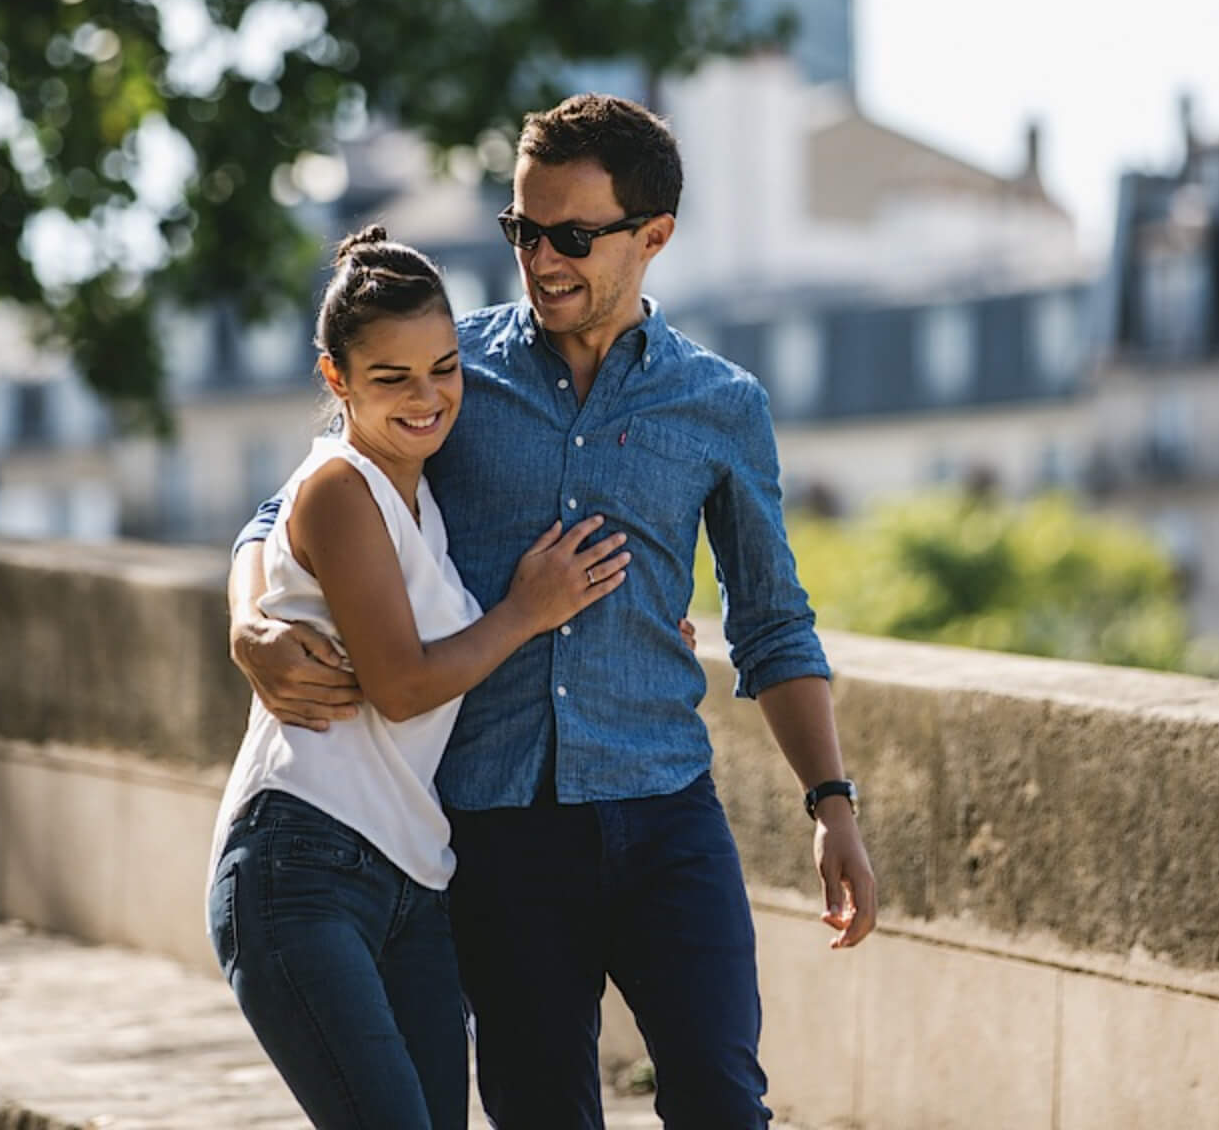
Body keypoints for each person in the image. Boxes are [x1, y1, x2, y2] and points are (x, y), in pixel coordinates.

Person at [229, 94, 878, 1129]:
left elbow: (771, 620)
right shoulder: (452, 372)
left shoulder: (720, 405)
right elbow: (293, 504)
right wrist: (249, 623)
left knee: (721, 1097)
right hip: (497, 830)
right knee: (541, 1112)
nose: (542, 258)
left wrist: (831, 802)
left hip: (665, 813)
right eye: (524, 230)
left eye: (573, 235)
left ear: (653, 234)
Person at [206, 226, 632, 1130]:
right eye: (391, 379)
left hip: (413, 877)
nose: (429, 397)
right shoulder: (342, 486)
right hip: (302, 863)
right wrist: (526, 611)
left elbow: (267, 533)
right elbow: (400, 686)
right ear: (337, 380)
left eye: (443, 368)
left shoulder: (423, 498)